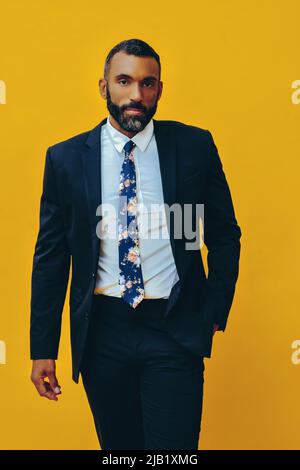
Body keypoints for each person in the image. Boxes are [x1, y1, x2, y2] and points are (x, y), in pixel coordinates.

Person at [30, 38, 242, 450]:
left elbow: (224, 233)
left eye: (148, 84)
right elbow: (51, 259)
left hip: (173, 327)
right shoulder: (66, 159)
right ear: (104, 86)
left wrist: (215, 307)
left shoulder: (194, 146)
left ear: (160, 89)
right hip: (103, 332)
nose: (136, 95)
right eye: (124, 81)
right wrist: (43, 349)